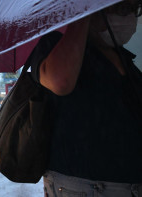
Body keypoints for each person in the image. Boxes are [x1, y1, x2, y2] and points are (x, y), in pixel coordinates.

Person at [27, 0, 142, 196]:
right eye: (121, 8)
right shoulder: (53, 46)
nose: (129, 17)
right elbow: (60, 81)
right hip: (85, 187)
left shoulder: (123, 57)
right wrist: (82, 16)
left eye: (134, 9)